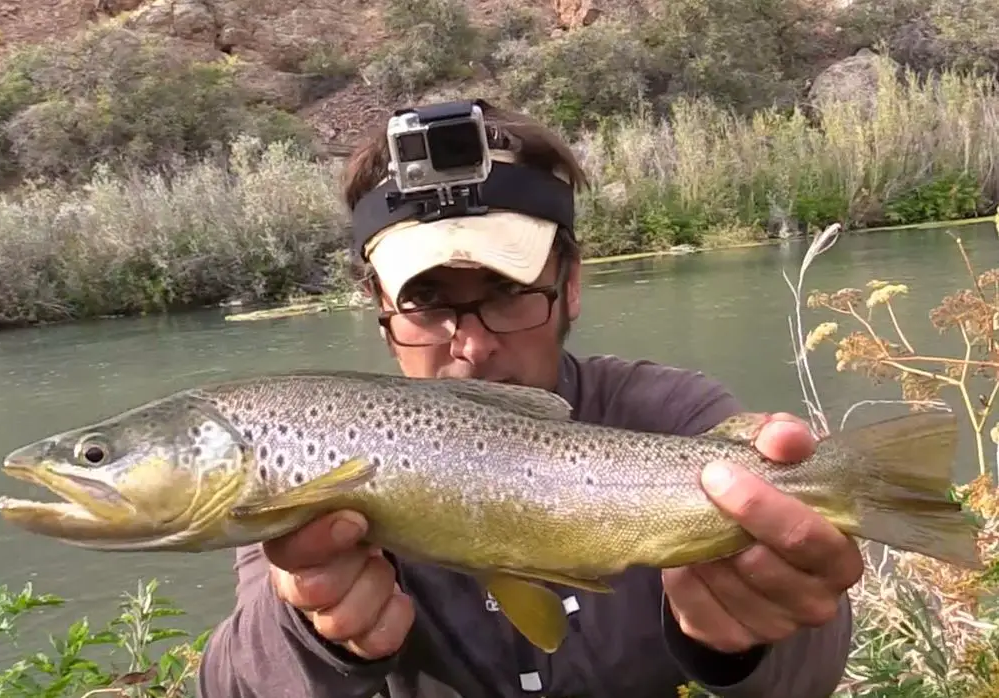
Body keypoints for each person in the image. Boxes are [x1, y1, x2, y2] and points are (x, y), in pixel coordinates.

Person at [197, 100, 864, 697]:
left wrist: (754, 638)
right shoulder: (312, 461)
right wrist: (313, 634)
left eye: (508, 291)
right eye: (426, 301)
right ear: (380, 305)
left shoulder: (676, 417)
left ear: (570, 284)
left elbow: (805, 679)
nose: (473, 347)